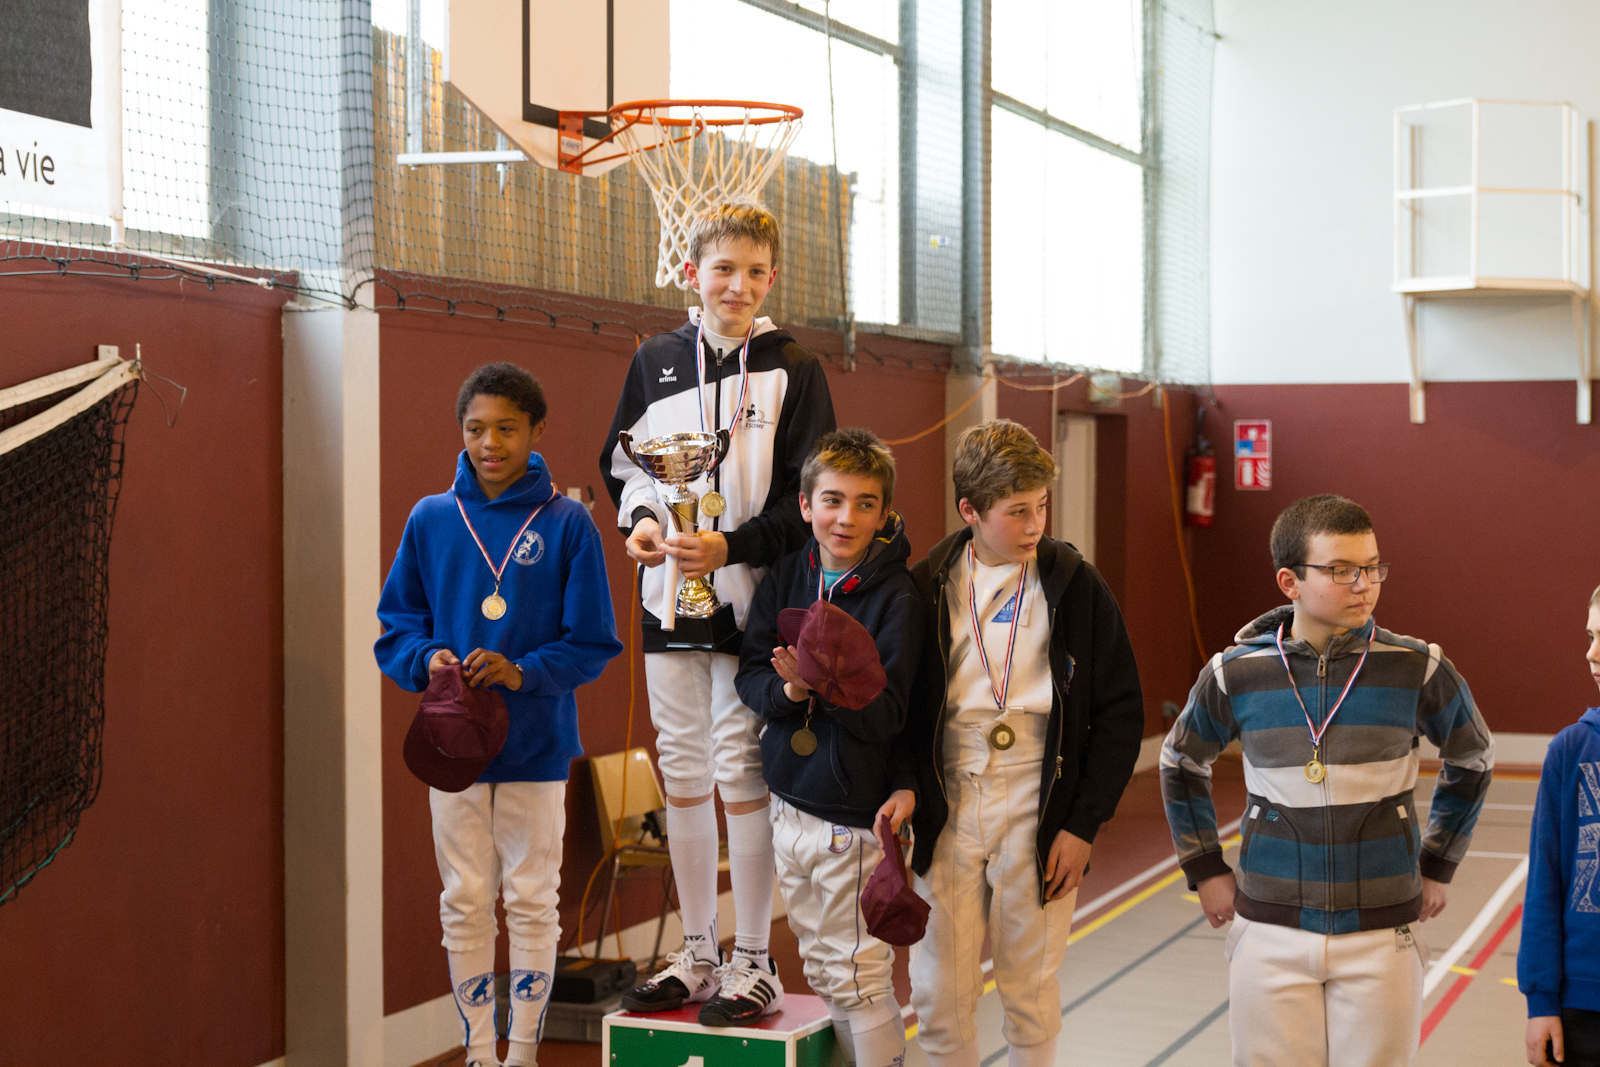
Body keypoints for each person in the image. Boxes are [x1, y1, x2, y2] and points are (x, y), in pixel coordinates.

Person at [600, 200, 836, 1023]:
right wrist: (643, 525)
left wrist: (729, 546)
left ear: (772, 278)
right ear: (691, 272)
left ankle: (754, 956)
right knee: (683, 767)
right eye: (723, 268)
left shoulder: (794, 368)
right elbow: (628, 467)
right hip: (669, 597)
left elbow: (806, 497)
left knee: (740, 770)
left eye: (754, 272)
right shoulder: (655, 360)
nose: (737, 284)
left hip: (751, 603)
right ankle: (699, 949)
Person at [1161, 493, 1494, 1067]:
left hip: (1382, 934)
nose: (1364, 584)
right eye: (1341, 570)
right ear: (1290, 582)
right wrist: (1206, 869)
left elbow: (1475, 757)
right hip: (1269, 930)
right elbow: (1180, 762)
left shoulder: (1418, 667)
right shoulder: (1235, 673)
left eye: (1372, 567)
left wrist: (1438, 863)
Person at [376, 363, 623, 1067]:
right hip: (451, 745)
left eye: (507, 429)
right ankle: (480, 1054)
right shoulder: (431, 518)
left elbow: (593, 642)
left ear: (537, 430)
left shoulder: (569, 523)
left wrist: (523, 671)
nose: (490, 443)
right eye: (476, 428)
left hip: (537, 745)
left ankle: (522, 1056)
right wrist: (427, 657)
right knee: (463, 898)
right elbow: (396, 628)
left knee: (532, 900)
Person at [907, 419, 1145, 1067]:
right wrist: (907, 794)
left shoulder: (1076, 584)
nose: (1036, 523)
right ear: (970, 511)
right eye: (1017, 511)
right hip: (951, 795)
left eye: (1041, 505)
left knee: (1030, 983)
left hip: (1038, 796)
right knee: (938, 988)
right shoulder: (927, 585)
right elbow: (902, 710)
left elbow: (1122, 711)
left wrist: (1083, 823)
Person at [735, 428, 924, 1062]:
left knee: (857, 976)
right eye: (833, 500)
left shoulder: (897, 596)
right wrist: (790, 693)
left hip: (855, 816)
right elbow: (751, 676)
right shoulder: (789, 575)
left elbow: (893, 713)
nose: (846, 518)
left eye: (865, 504)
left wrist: (827, 685)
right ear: (806, 504)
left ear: (884, 513)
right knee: (823, 970)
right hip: (789, 802)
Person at [1519, 584, 1600, 1067]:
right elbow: (1545, 885)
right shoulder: (1571, 750)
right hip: (1584, 1008)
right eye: (1591, 636)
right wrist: (1541, 1000)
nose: (1592, 653)